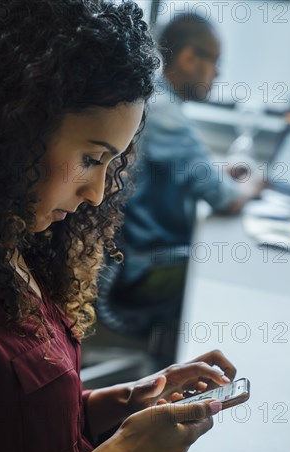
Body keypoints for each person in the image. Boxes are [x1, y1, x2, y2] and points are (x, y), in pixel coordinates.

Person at [0, 1, 238, 452]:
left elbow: (19, 434)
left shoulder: (15, 244)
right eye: (90, 158)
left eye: (113, 163)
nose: (98, 193)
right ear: (13, 131)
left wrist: (129, 400)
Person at [98, 14, 265, 337]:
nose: (218, 74)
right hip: (139, 270)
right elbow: (227, 200)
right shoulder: (164, 113)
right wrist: (252, 183)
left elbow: (185, 172)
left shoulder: (156, 100)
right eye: (215, 62)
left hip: (131, 256)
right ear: (188, 57)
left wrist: (220, 172)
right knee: (228, 266)